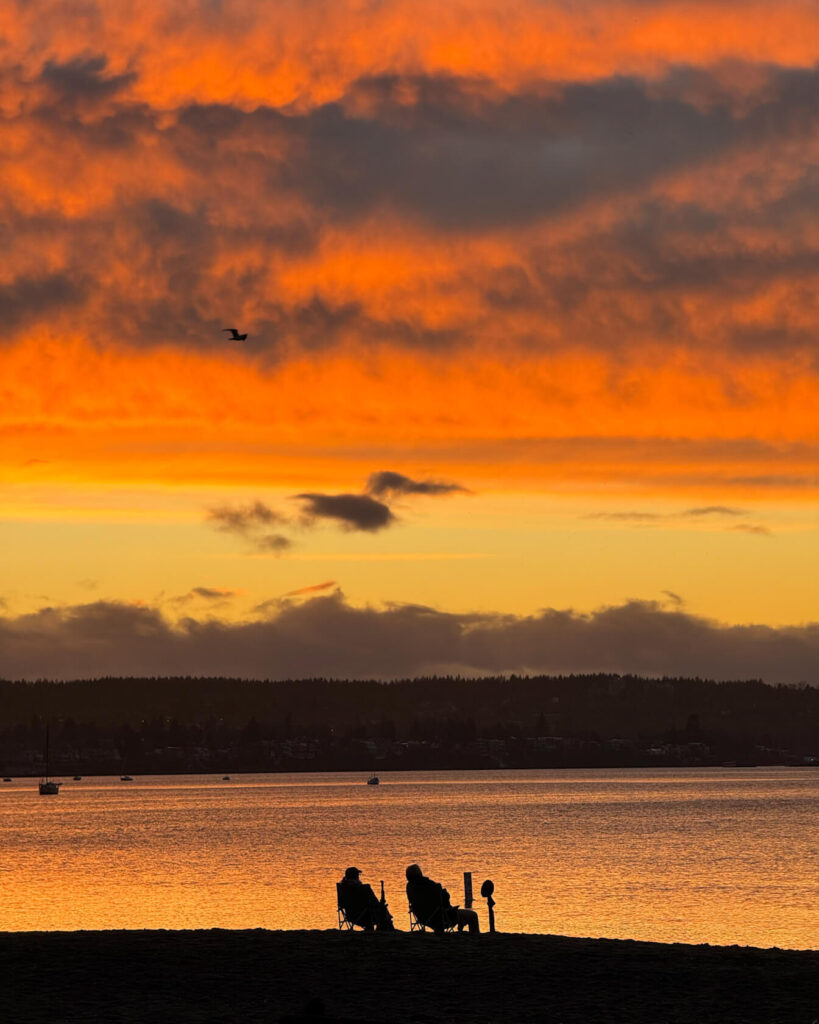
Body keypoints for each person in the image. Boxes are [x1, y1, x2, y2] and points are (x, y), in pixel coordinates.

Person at [405, 863, 479, 934]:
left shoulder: (410, 887)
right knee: (473, 915)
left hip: (422, 918)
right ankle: (475, 937)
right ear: (420, 873)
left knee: (457, 913)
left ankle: (461, 927)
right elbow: (445, 898)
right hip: (440, 918)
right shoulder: (430, 886)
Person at [338, 866, 394, 931]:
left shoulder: (343, 888)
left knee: (381, 908)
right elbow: (374, 902)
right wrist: (381, 904)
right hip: (365, 916)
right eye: (358, 875)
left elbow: (341, 904)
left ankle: (383, 927)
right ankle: (387, 928)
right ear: (356, 876)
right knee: (383, 909)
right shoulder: (364, 888)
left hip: (350, 915)